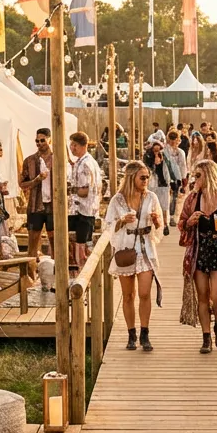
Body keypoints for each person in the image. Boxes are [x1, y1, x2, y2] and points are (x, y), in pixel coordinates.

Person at [178, 159, 217, 354]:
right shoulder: (192, 199)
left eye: (198, 175)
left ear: (210, 175)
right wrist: (189, 221)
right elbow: (181, 223)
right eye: (194, 175)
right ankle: (206, 338)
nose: (195, 179)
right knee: (203, 296)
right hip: (199, 252)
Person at [106, 161, 164, 352]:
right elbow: (109, 226)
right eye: (142, 177)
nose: (146, 180)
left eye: (147, 177)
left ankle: (144, 333)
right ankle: (131, 334)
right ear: (131, 178)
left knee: (145, 293)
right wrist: (122, 221)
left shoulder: (151, 197)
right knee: (128, 295)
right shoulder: (117, 200)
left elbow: (160, 227)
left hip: (145, 248)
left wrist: (156, 221)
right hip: (126, 248)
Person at [68, 131, 102, 270]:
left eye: (74, 145)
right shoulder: (87, 161)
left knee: (81, 246)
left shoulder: (85, 165)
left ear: (82, 146)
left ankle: (82, 274)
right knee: (83, 244)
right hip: (87, 210)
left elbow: (84, 191)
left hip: (83, 210)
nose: (72, 148)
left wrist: (70, 190)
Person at [20, 127, 55, 259]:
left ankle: (56, 268)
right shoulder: (29, 161)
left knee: (55, 240)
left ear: (49, 140)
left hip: (53, 206)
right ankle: (31, 269)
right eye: (37, 141)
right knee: (33, 241)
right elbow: (22, 184)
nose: (39, 143)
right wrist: (36, 180)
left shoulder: (58, 159)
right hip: (35, 205)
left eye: (42, 140)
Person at [146, 139, 177, 236]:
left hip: (163, 186)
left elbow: (170, 171)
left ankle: (165, 224)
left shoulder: (165, 160)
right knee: (153, 206)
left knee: (164, 206)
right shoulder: (149, 161)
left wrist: (172, 182)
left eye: (158, 150)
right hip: (153, 187)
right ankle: (154, 225)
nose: (156, 152)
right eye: (155, 150)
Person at [163, 130, 188, 226]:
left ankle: (173, 217)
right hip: (165, 177)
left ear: (178, 140)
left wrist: (184, 178)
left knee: (175, 197)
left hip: (176, 178)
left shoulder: (180, 152)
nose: (173, 141)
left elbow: (183, 165)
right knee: (166, 197)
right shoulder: (164, 151)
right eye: (171, 138)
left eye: (175, 138)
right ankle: (166, 216)